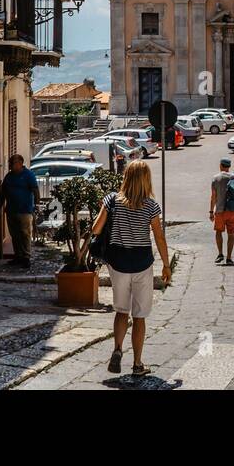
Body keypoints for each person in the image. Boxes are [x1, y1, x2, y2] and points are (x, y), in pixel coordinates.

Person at [92, 160, 171, 378]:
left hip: (118, 263)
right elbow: (159, 237)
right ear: (146, 179)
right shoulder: (151, 205)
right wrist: (165, 264)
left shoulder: (112, 200)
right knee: (139, 316)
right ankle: (137, 364)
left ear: (126, 176)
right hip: (142, 263)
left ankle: (117, 349)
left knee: (121, 311)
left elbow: (96, 228)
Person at [0, 154, 39, 268]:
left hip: (25, 210)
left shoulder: (28, 175)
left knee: (25, 234)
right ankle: (18, 256)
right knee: (14, 235)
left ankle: (26, 257)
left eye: (12, 163)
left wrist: (37, 205)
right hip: (11, 210)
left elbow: (35, 190)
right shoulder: (8, 176)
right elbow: (2, 194)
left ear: (20, 163)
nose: (10, 165)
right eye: (10, 163)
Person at [210, 157, 234, 266]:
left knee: (218, 232)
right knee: (231, 234)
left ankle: (220, 254)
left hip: (220, 211)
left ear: (220, 165)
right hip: (233, 211)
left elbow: (213, 197)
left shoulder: (215, 178)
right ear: (229, 167)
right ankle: (229, 258)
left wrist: (211, 211)